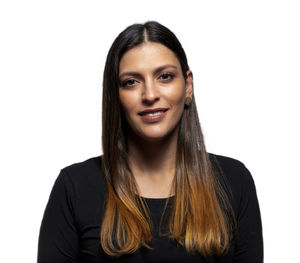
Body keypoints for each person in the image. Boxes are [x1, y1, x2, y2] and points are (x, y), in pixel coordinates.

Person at [37, 21, 263, 262]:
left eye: (165, 76)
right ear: (116, 95)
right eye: (131, 82)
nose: (150, 95)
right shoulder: (74, 187)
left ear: (187, 85)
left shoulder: (233, 181)